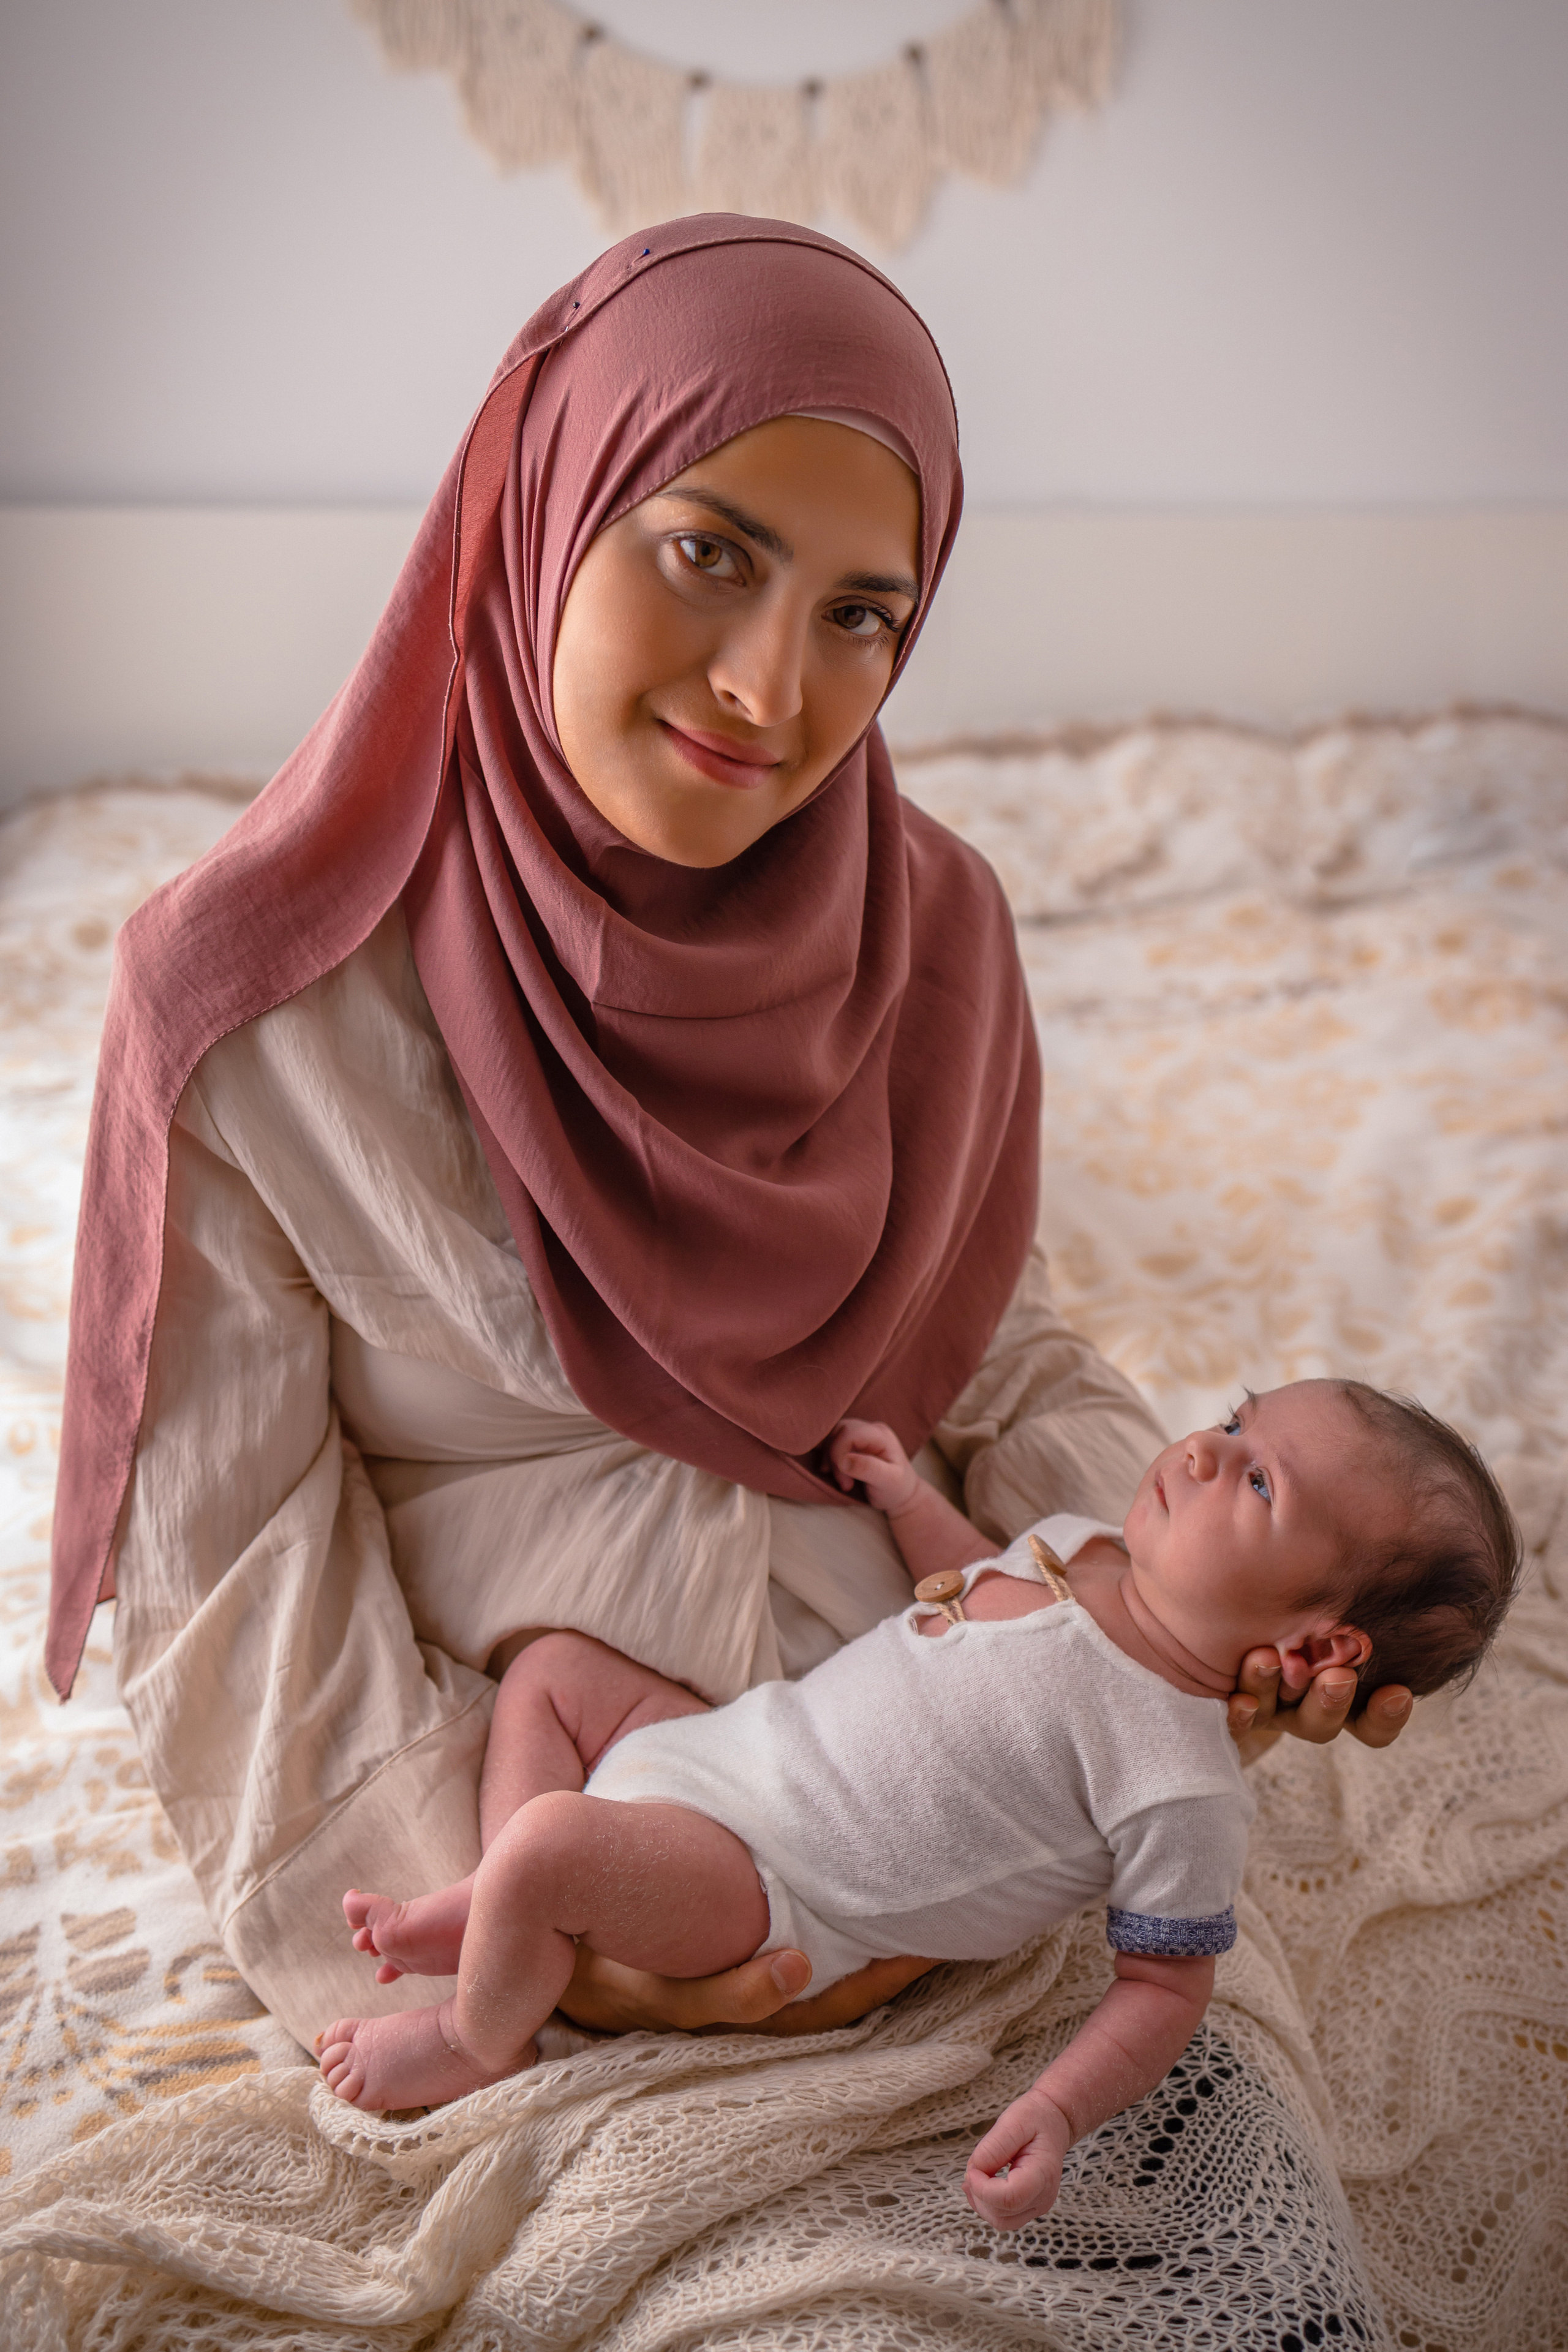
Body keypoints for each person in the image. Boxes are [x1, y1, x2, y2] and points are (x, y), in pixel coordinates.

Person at [45, 219, 1415, 2059]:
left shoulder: (932, 931)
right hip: (514, 1857)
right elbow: (242, 1561)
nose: (772, 692)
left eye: (860, 616)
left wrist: (1191, 1645)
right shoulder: (253, 1007)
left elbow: (989, 1360)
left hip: (968, 1826)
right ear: (542, 513)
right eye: (709, 553)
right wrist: (533, 1941)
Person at [318, 1376, 1519, 2231]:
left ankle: (479, 2036)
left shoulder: (1179, 1779)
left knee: (550, 1844)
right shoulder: (1092, 1547)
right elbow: (973, 1578)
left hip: (770, 1885)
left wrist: (1056, 2113)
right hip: (726, 1749)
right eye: (1235, 1419)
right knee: (549, 1674)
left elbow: (1165, 1985)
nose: (1203, 1450)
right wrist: (904, 1502)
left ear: (1320, 1645)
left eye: (1256, 1480)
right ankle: (498, 1912)